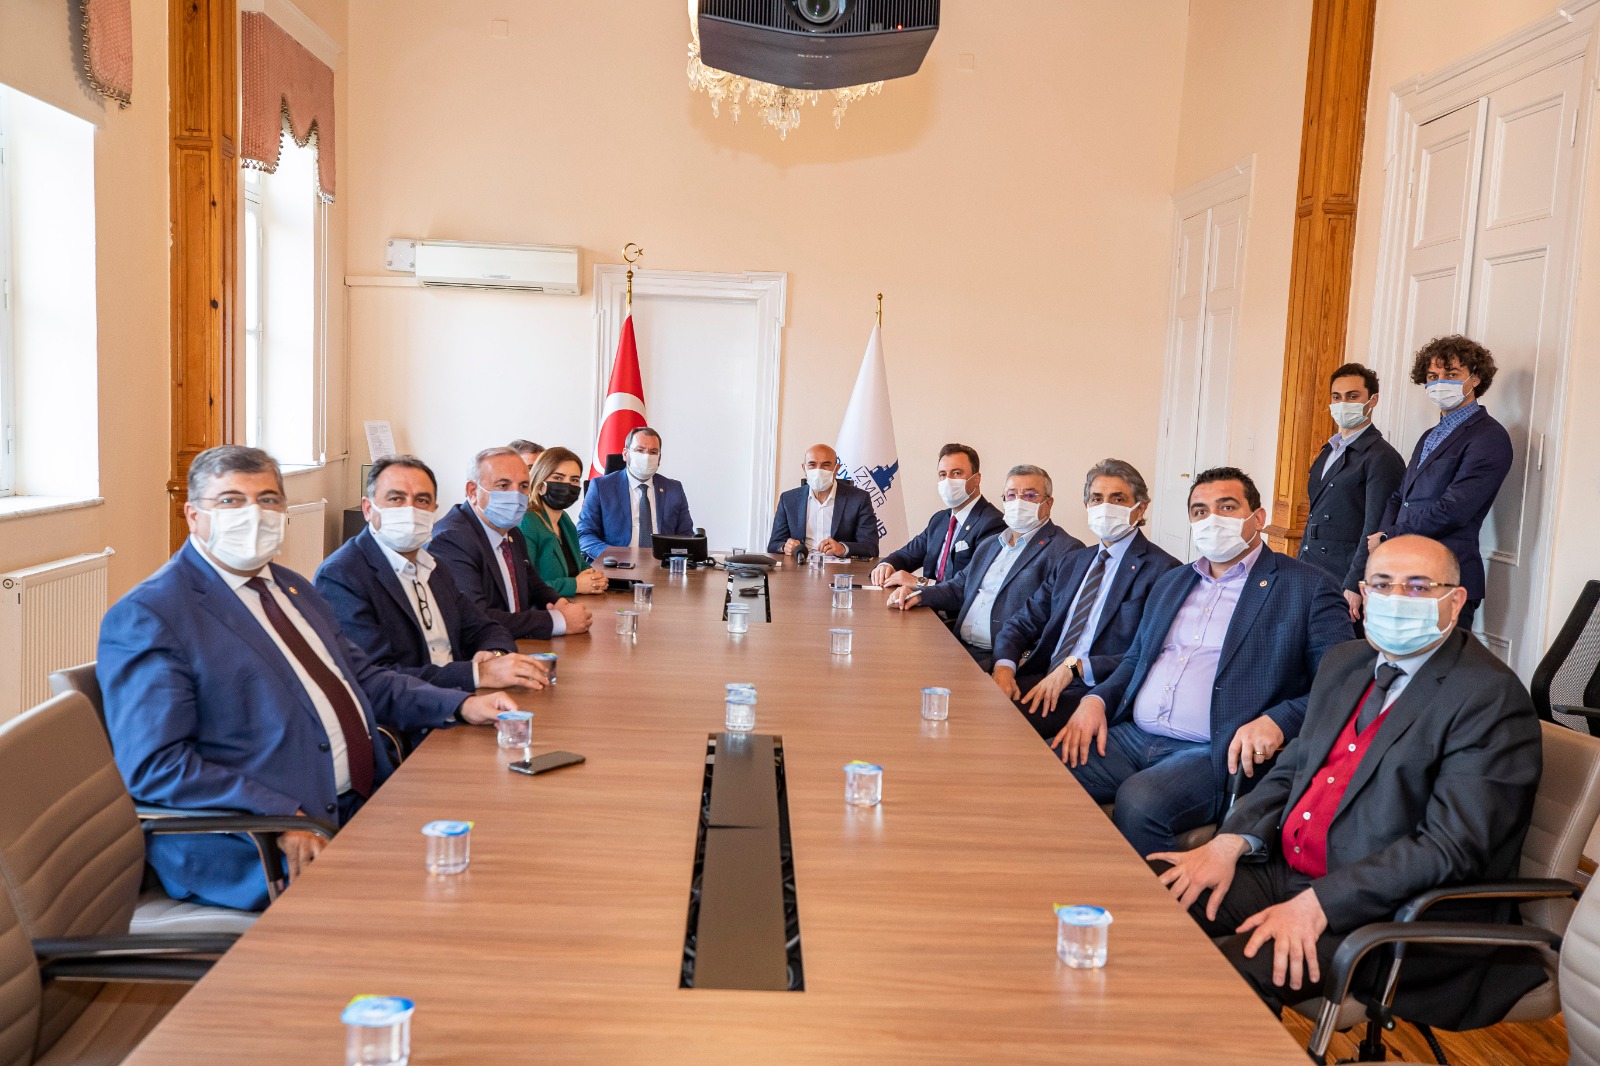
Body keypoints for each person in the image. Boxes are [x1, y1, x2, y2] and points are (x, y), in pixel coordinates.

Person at [1150, 535, 1544, 1031]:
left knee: (1234, 973)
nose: (1396, 598)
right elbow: (1294, 767)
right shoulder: (1346, 663)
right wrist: (1230, 842)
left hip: (1394, 911)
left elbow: (1450, 848)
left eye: (1418, 586)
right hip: (1288, 869)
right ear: (1363, 592)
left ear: (1455, 599)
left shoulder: (1489, 697)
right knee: (1147, 898)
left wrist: (1321, 903)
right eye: (1382, 584)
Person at [98, 445, 518, 910]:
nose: (253, 513)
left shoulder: (291, 587)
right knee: (443, 905)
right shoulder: (152, 614)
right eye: (231, 500)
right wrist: (279, 815)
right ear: (193, 516)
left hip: (357, 803)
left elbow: (365, 678)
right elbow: (156, 765)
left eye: (268, 499)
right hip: (264, 838)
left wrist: (460, 703)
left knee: (496, 850)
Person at [1053, 466, 1352, 857]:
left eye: (1226, 507)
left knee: (1141, 802)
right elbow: (1137, 660)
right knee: (1043, 770)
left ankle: (1156, 897)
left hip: (1213, 748)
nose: (1212, 519)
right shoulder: (1172, 582)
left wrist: (1279, 720)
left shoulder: (1306, 586)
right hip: (1133, 736)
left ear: (1258, 517)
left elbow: (1342, 682)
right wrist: (1097, 699)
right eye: (1200, 511)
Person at [315, 455, 551, 697]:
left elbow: (484, 626)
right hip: (413, 713)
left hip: (461, 698)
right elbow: (376, 679)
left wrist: (495, 654)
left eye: (422, 500)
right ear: (368, 508)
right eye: (396, 499)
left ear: (434, 510)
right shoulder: (342, 575)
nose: (410, 510)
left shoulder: (433, 567)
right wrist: (477, 674)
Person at [990, 459, 1181, 740]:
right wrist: (1004, 669)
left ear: (1140, 508)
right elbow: (1022, 622)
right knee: (968, 698)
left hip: (1095, 690)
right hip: (1042, 673)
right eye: (1097, 498)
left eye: (1118, 499)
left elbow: (1148, 654)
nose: (1105, 507)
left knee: (999, 723)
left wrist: (1075, 666)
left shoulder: (1164, 571)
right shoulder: (1073, 561)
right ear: (1087, 506)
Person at [1364, 335, 1513, 632]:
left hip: (1447, 578)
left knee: (1442, 660)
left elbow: (1454, 509)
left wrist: (1390, 537)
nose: (1440, 382)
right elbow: (1400, 496)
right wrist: (1384, 541)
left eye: (1452, 374)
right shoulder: (1430, 435)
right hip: (1404, 572)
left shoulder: (1489, 437)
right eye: (1433, 376)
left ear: (1475, 378)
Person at [886, 465, 1081, 665]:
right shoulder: (991, 544)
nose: (1019, 502)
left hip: (1006, 658)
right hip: (960, 646)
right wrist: (917, 594)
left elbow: (1056, 620)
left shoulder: (1066, 550)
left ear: (1048, 503)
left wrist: (1015, 662)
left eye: (1030, 496)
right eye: (1011, 495)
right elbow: (958, 589)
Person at [430, 447, 593, 640]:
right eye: (503, 485)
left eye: (523, 486)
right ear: (473, 491)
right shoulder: (452, 539)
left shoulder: (511, 531)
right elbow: (475, 617)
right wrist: (558, 621)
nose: (516, 495)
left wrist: (560, 604)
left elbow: (534, 585)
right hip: (479, 650)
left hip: (515, 643)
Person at [1298, 363, 1405, 622]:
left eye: (1352, 396)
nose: (1343, 403)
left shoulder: (1382, 457)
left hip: (1345, 574)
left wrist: (1356, 583)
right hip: (1310, 564)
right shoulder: (1328, 450)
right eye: (1337, 397)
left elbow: (1374, 527)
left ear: (1372, 400)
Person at [871, 443, 1004, 591]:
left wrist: (920, 582)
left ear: (976, 479)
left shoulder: (993, 523)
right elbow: (906, 555)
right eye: (943, 474)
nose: (948, 480)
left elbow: (972, 586)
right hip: (925, 602)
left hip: (955, 606)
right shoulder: (940, 519)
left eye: (957, 473)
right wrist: (886, 565)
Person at [576, 427, 695, 558]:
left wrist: (675, 560)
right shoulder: (601, 487)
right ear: (625, 454)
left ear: (659, 458)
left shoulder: (674, 489)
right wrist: (611, 556)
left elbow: (686, 535)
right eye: (640, 450)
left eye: (653, 452)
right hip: (616, 564)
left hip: (662, 564)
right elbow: (584, 533)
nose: (647, 456)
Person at [520, 446, 608, 598]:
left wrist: (594, 578)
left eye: (574, 480)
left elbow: (579, 563)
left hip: (572, 604)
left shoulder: (564, 520)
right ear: (540, 483)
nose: (567, 485)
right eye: (558, 478)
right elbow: (524, 586)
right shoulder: (527, 522)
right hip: (544, 609)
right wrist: (575, 585)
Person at [767, 443, 882, 559]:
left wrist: (843, 548)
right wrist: (785, 547)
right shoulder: (788, 499)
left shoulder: (859, 499)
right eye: (812, 464)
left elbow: (871, 547)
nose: (818, 470)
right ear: (804, 468)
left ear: (836, 469)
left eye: (826, 465)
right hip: (800, 564)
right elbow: (774, 545)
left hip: (839, 567)